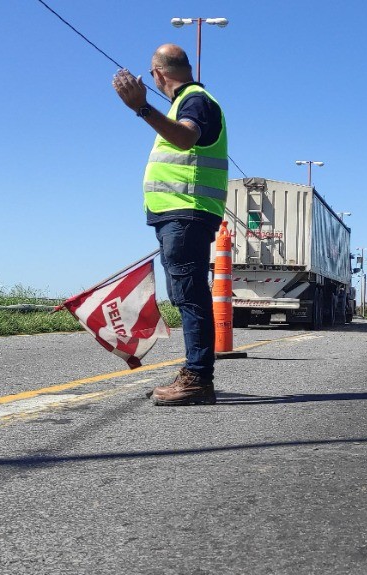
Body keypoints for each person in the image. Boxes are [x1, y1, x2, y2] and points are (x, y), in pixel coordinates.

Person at [112, 44, 228, 406]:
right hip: (178, 214)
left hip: (186, 212)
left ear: (158, 74)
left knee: (190, 296)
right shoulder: (189, 102)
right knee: (184, 295)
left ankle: (198, 378)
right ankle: (195, 374)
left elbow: (185, 137)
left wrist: (142, 107)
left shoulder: (195, 100)